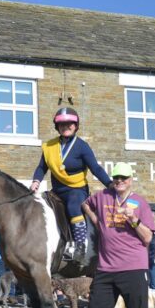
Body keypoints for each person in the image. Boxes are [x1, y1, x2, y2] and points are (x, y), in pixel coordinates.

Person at [76, 162, 154, 308]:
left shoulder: (140, 202)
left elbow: (148, 238)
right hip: (106, 268)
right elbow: (85, 204)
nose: (120, 181)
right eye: (117, 177)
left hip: (134, 268)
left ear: (130, 180)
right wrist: (97, 222)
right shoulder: (102, 196)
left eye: (124, 178)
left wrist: (134, 220)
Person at [30, 107, 112, 261]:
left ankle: (80, 245)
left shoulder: (82, 146)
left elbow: (95, 168)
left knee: (73, 206)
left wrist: (110, 184)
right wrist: (36, 181)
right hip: (57, 190)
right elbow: (42, 167)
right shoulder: (49, 147)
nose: (66, 126)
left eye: (70, 124)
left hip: (77, 189)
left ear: (76, 126)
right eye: (62, 124)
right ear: (57, 127)